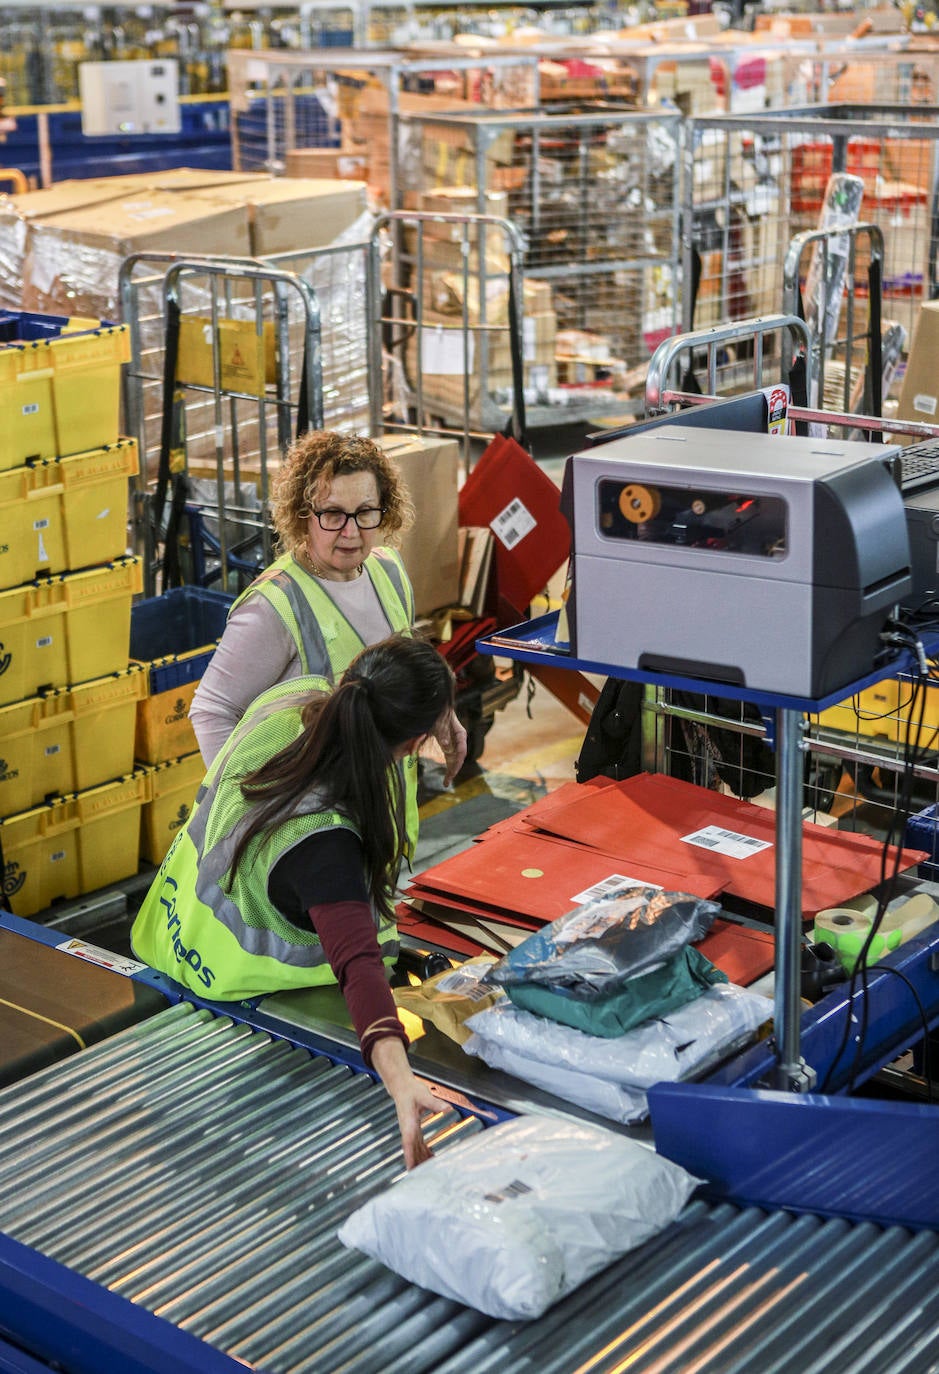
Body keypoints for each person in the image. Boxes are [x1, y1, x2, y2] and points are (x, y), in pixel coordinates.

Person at [132, 634, 456, 1170]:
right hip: (244, 1020)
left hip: (172, 939)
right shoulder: (324, 844)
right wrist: (402, 1087)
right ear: (408, 746)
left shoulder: (291, 699)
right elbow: (357, 968)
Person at [190, 430, 467, 797]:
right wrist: (251, 808)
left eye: (365, 512)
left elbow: (395, 679)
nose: (351, 532)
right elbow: (212, 710)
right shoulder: (275, 605)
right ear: (304, 514)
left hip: (383, 811)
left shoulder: (389, 571)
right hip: (313, 825)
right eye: (333, 514)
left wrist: (439, 712)